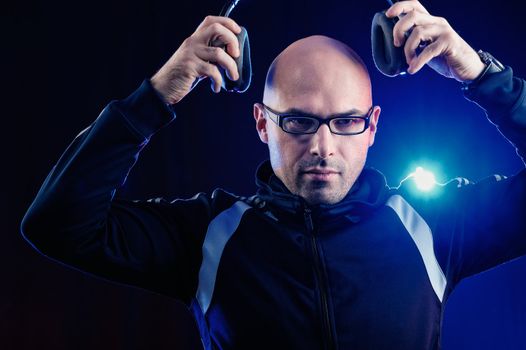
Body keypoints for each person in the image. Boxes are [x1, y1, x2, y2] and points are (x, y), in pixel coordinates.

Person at [21, 1, 526, 349]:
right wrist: (155, 97)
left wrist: (479, 74)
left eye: (346, 122)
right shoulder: (208, 235)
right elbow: (57, 225)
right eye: (299, 122)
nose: (322, 147)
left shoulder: (434, 226)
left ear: (371, 127)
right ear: (263, 123)